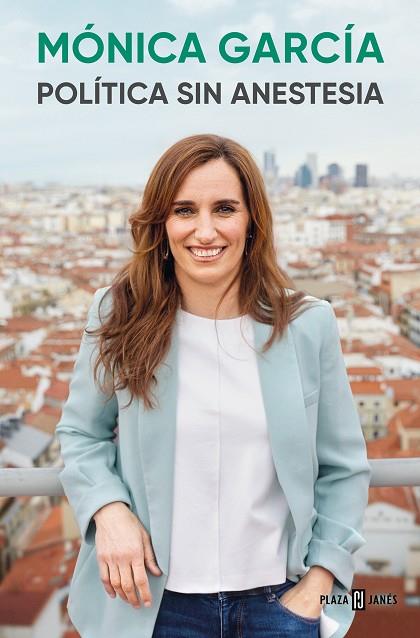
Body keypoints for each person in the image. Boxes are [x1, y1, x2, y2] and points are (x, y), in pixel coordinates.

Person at [55, 134, 372, 638]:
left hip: (282, 604)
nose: (205, 231)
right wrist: (109, 511)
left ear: (252, 221)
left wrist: (319, 584)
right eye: (185, 210)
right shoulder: (118, 313)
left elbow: (344, 467)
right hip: (152, 605)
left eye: (224, 208)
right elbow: (80, 434)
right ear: (162, 224)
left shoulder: (308, 324)